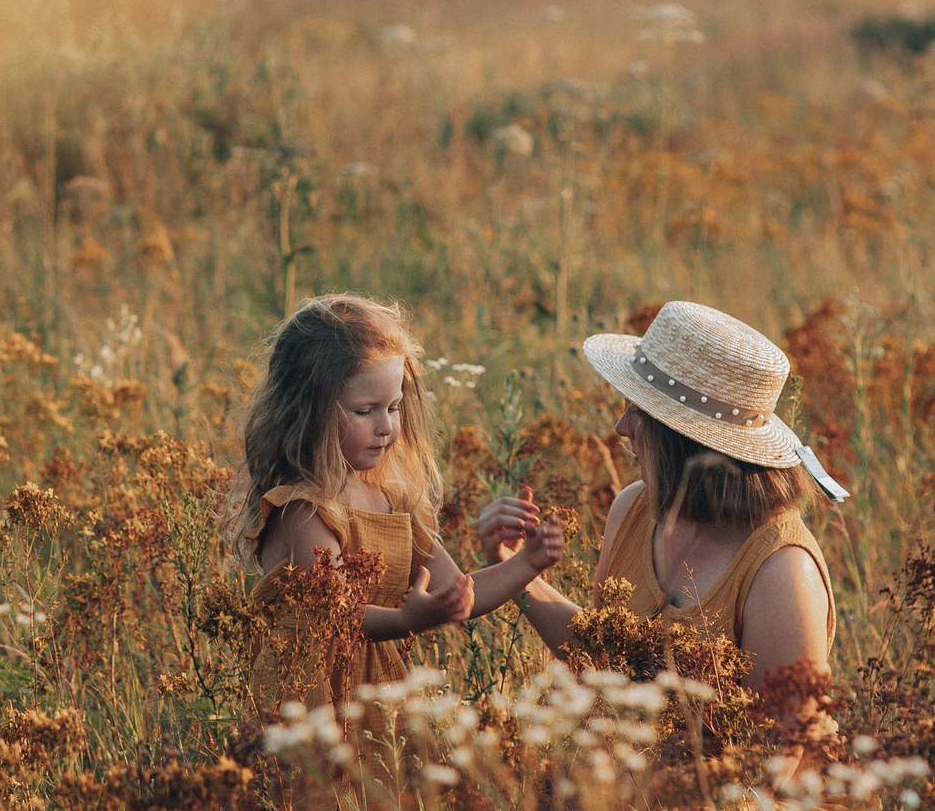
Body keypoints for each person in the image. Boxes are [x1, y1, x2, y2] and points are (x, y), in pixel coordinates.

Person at [476, 300, 848, 684]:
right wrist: (516, 571)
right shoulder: (633, 509)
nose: (621, 426)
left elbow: (790, 740)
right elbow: (602, 661)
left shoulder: (782, 573)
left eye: (637, 410)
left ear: (680, 438)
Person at [231, 294, 565, 717]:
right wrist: (408, 621)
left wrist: (527, 563)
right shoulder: (304, 509)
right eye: (365, 410)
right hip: (308, 700)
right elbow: (339, 615)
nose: (386, 426)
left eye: (393, 407)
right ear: (309, 412)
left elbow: (460, 592)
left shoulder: (394, 502)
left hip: (375, 695)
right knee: (323, 785)